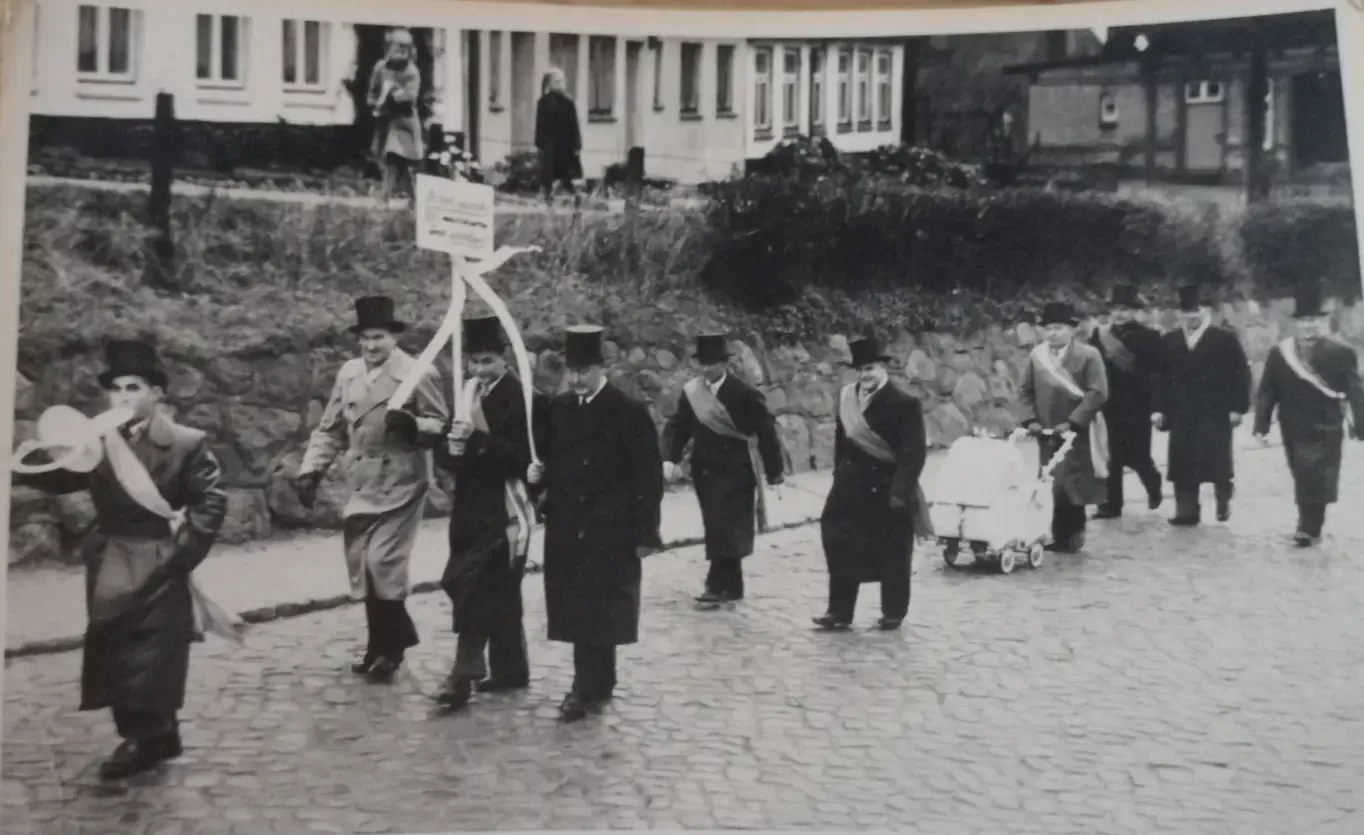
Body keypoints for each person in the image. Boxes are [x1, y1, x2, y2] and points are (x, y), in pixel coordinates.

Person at [11, 340, 228, 780]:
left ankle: (144, 736)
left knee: (153, 651)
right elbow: (59, 478)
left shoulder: (186, 443)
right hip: (110, 556)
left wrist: (180, 555)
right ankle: (160, 732)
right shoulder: (98, 441)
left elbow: (210, 502)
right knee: (114, 644)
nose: (124, 397)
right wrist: (41, 453)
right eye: (116, 389)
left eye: (135, 387)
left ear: (156, 394)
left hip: (159, 556)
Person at [295, 296, 448, 683]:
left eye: (378, 337)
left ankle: (392, 650)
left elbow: (441, 424)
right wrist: (312, 468)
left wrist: (412, 424)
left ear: (394, 337)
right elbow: (330, 428)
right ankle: (380, 644)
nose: (371, 346)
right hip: (362, 482)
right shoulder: (348, 374)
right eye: (365, 338)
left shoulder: (418, 374)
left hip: (402, 482)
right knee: (364, 567)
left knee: (384, 564)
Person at [526, 326, 664, 722]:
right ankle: (594, 681)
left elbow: (647, 478)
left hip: (611, 528)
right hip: (568, 525)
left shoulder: (627, 411)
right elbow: (551, 458)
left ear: (602, 368)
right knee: (577, 606)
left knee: (601, 607)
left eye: (584, 370)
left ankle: (588, 686)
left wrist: (646, 532)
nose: (576, 378)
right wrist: (539, 478)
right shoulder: (561, 407)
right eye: (572, 370)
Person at [428, 316, 550, 710]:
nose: (479, 370)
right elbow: (447, 451)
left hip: (505, 509)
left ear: (503, 358)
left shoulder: (527, 399)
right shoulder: (467, 395)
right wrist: (454, 449)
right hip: (469, 508)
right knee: (496, 588)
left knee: (475, 586)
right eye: (474, 362)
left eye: (486, 361)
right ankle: (512, 668)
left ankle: (463, 674)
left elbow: (525, 460)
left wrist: (477, 442)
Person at [662, 334, 785, 608]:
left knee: (725, 526)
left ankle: (716, 584)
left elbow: (766, 430)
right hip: (705, 470)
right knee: (718, 526)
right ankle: (733, 585)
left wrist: (774, 470)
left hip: (737, 470)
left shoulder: (744, 392)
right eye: (704, 363)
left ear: (725, 363)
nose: (708, 369)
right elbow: (678, 426)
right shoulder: (692, 392)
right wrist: (669, 457)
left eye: (713, 363)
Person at [815, 336, 928, 632]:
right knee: (839, 544)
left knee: (892, 552)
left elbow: (913, 453)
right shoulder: (846, 398)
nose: (865, 375)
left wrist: (900, 492)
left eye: (871, 369)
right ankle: (839, 612)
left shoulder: (905, 403)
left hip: (888, 489)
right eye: (861, 370)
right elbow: (842, 443)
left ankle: (893, 612)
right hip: (849, 488)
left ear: (884, 369)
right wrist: (838, 476)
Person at [1252, 281, 1364, 546]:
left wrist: (1361, 424)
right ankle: (1310, 523)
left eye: (1313, 320)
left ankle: (1309, 527)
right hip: (1292, 424)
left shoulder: (1341, 352)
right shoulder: (1281, 353)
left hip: (1326, 424)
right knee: (1302, 473)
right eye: (1303, 321)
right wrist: (1261, 424)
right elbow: (1268, 390)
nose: (1308, 326)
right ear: (1295, 324)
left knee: (1316, 474)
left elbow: (1355, 390)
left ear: (1321, 322)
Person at [1153, 285, 1252, 526]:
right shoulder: (1171, 341)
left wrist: (1238, 408)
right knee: (1182, 461)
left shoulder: (1224, 339)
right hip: (1181, 411)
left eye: (1196, 310)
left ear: (1205, 311)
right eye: (1186, 312)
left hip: (1215, 411)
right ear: (1180, 314)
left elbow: (1241, 375)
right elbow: (1160, 378)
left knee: (1215, 460)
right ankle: (1186, 511)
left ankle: (1223, 493)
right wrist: (1158, 409)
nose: (1191, 316)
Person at [1020, 302, 1110, 552]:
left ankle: (1074, 533)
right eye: (1048, 328)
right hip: (1046, 431)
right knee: (1050, 481)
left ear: (1072, 329)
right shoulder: (1037, 356)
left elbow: (1098, 392)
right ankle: (1056, 532)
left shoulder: (1089, 355)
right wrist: (1030, 420)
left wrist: (1073, 421)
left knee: (1074, 481)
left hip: (1077, 430)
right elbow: (1024, 391)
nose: (1052, 333)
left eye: (1058, 328)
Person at [1089, 284, 1165, 518]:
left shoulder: (1150, 337)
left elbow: (1159, 374)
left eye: (1124, 309)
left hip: (1137, 406)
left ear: (1134, 311)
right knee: (1111, 456)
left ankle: (1153, 485)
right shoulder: (1099, 336)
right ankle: (1112, 505)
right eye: (1115, 309)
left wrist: (1157, 406)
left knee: (1139, 456)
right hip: (1109, 405)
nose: (1119, 314)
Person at [368, 27, 424, 203]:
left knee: (394, 157)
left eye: (406, 48)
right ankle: (415, 200)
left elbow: (410, 97)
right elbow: (372, 94)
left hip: (404, 123)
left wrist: (392, 95)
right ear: (389, 48)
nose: (402, 51)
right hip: (385, 122)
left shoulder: (412, 72)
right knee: (397, 164)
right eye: (398, 46)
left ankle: (383, 197)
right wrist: (375, 104)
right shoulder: (380, 68)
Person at [534, 68, 583, 209]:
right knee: (549, 173)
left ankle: (573, 198)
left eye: (562, 81)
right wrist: (539, 144)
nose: (561, 84)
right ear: (549, 84)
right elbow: (539, 125)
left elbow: (574, 125)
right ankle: (550, 197)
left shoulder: (568, 103)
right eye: (557, 81)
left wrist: (577, 146)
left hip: (566, 146)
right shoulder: (543, 103)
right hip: (550, 145)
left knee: (568, 173)